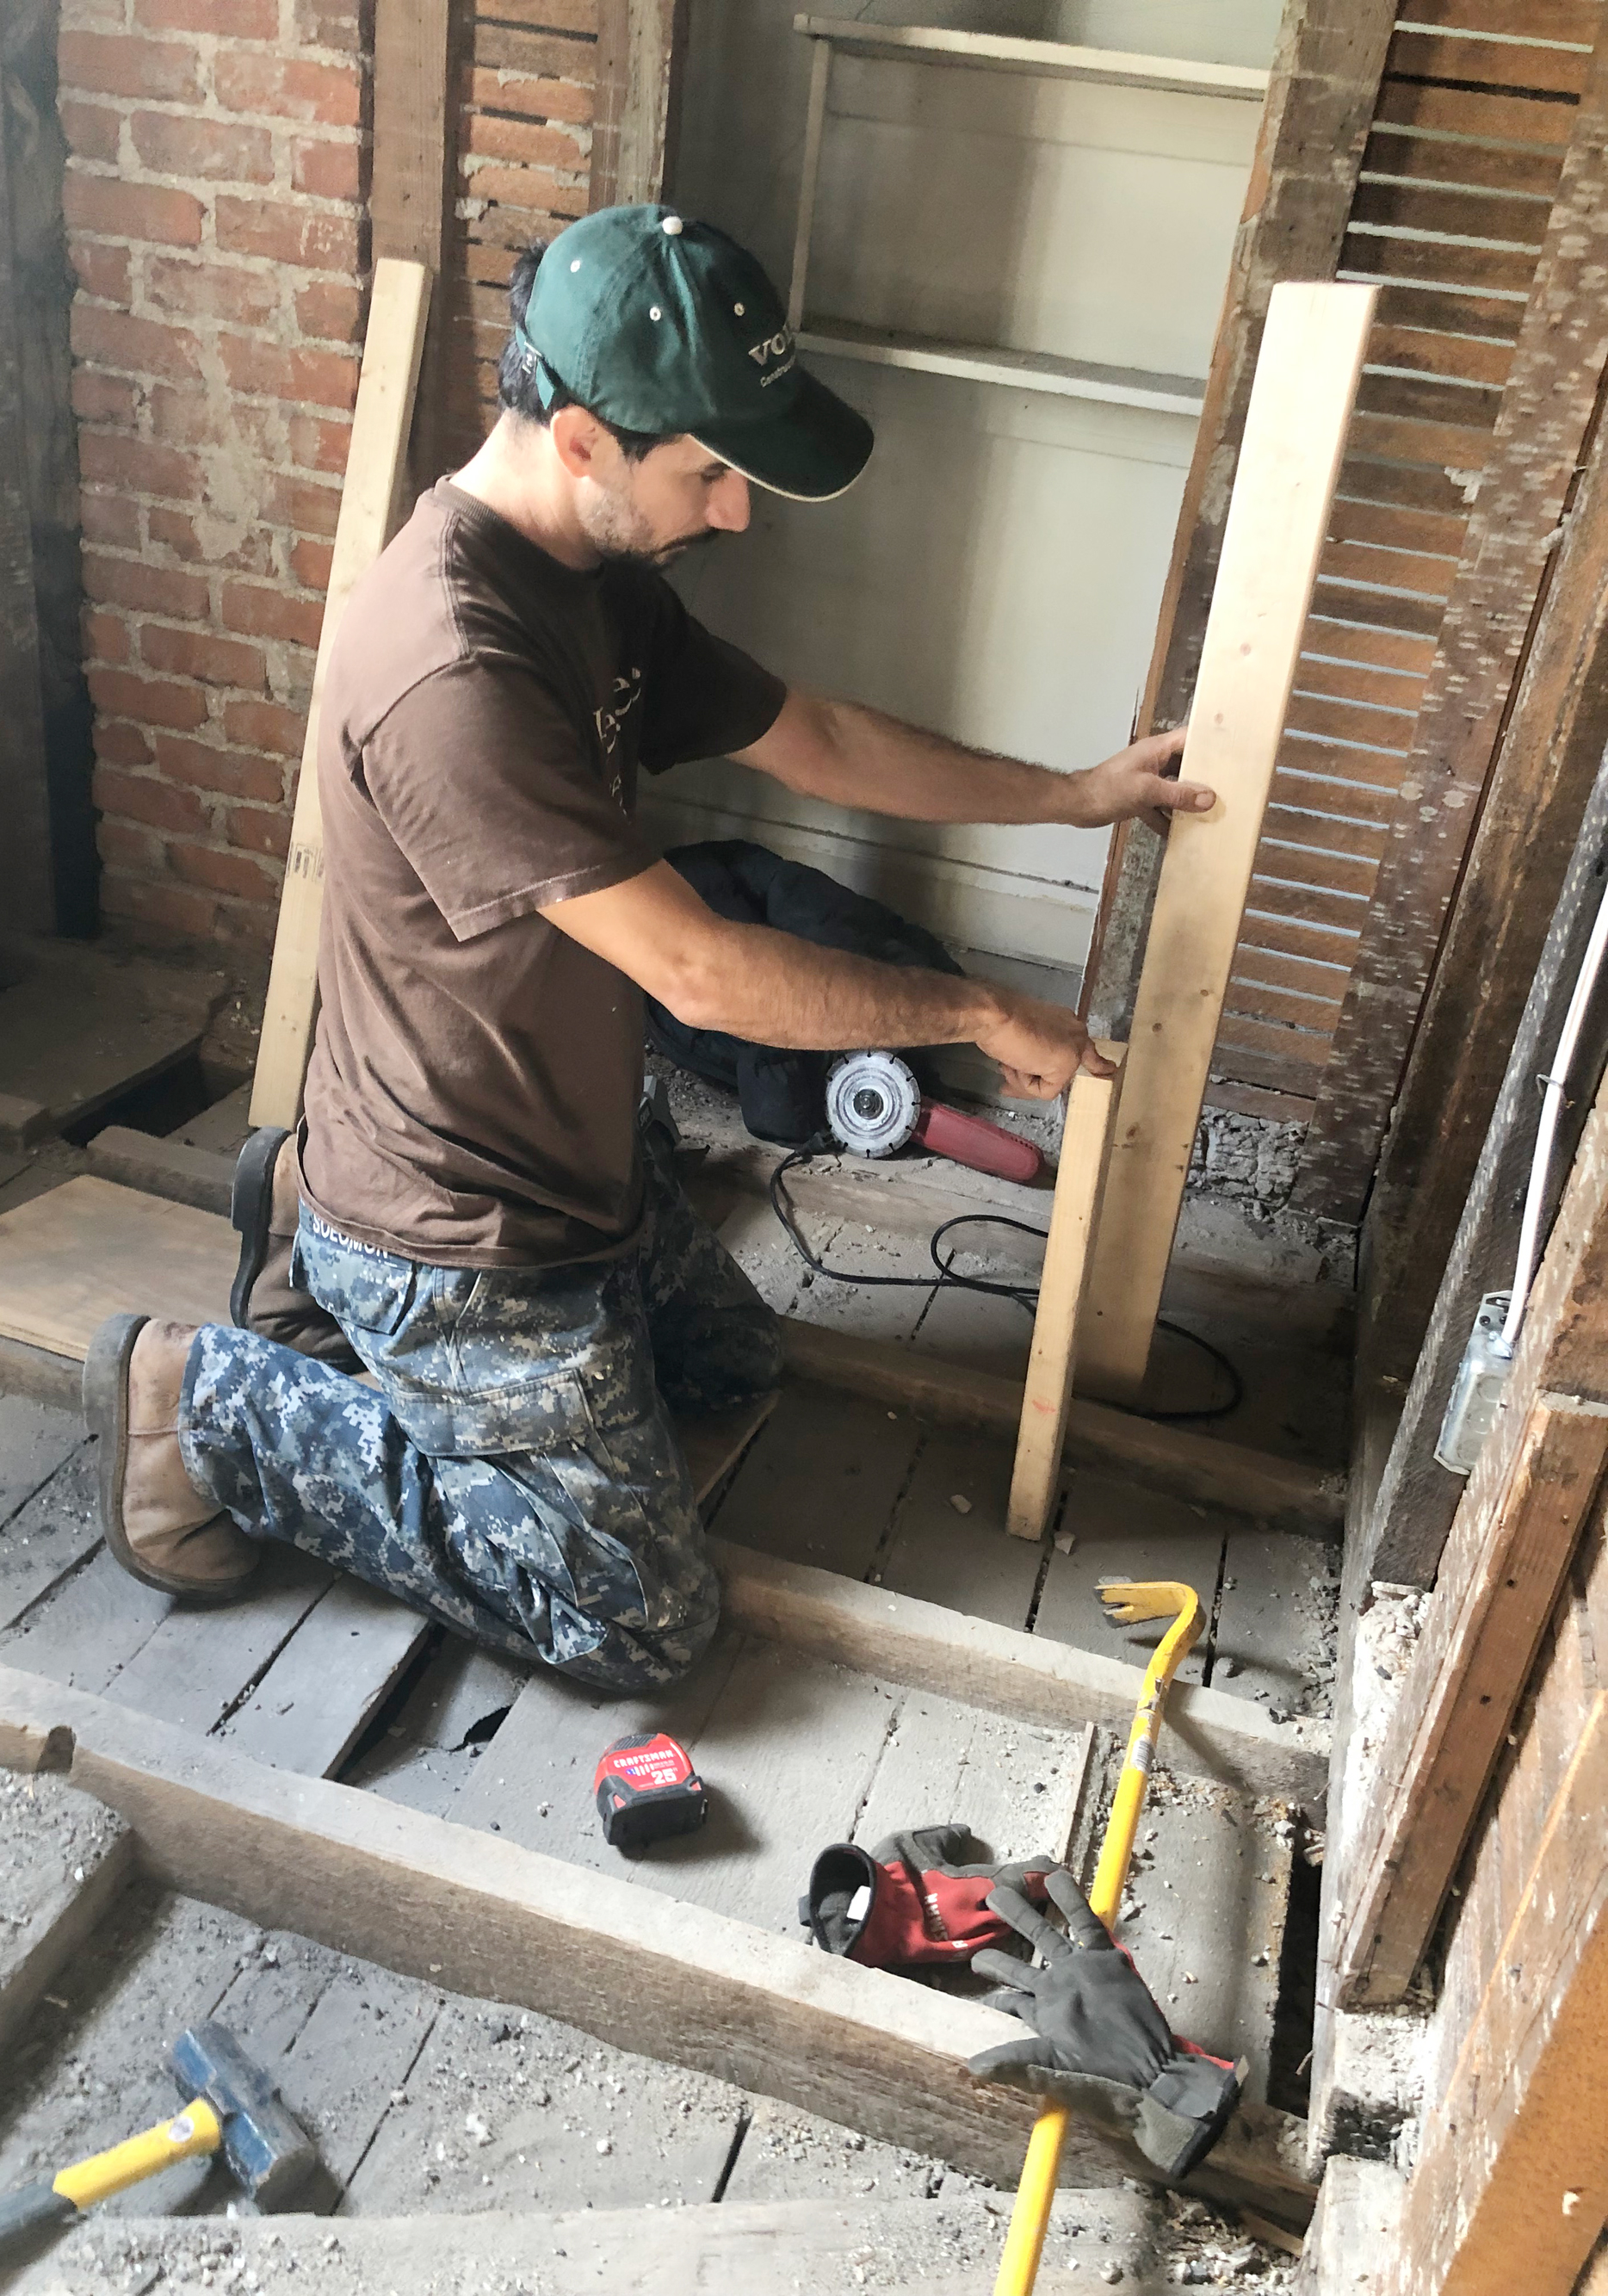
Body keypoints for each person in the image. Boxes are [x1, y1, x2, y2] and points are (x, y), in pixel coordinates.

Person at [82, 205, 1212, 1693]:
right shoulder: (450, 664)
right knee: (642, 1618)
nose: (737, 513)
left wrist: (1075, 796)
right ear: (583, 436)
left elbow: (815, 736)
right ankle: (207, 1400)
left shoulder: (596, 581)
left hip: (572, 1153)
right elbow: (700, 973)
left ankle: (307, 1211)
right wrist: (979, 1009)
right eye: (711, 473)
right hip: (458, 1218)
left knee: (732, 1369)